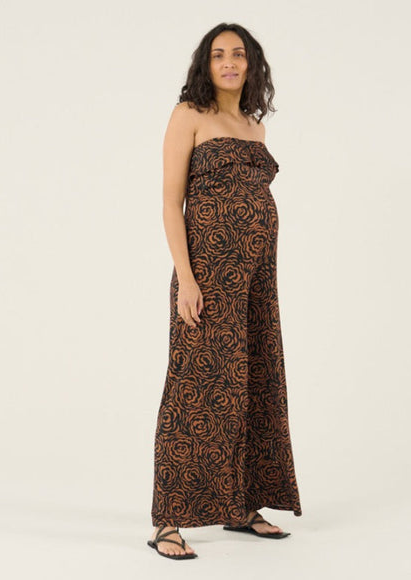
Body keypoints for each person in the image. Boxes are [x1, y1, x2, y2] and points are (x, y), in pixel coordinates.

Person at [147, 22, 302, 560]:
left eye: (238, 54)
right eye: (219, 55)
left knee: (252, 383)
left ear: (251, 64)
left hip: (256, 278)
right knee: (194, 389)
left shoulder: (254, 126)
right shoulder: (188, 115)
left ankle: (240, 505)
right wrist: (186, 279)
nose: (229, 63)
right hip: (208, 277)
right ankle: (168, 520)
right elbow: (171, 203)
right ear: (206, 65)